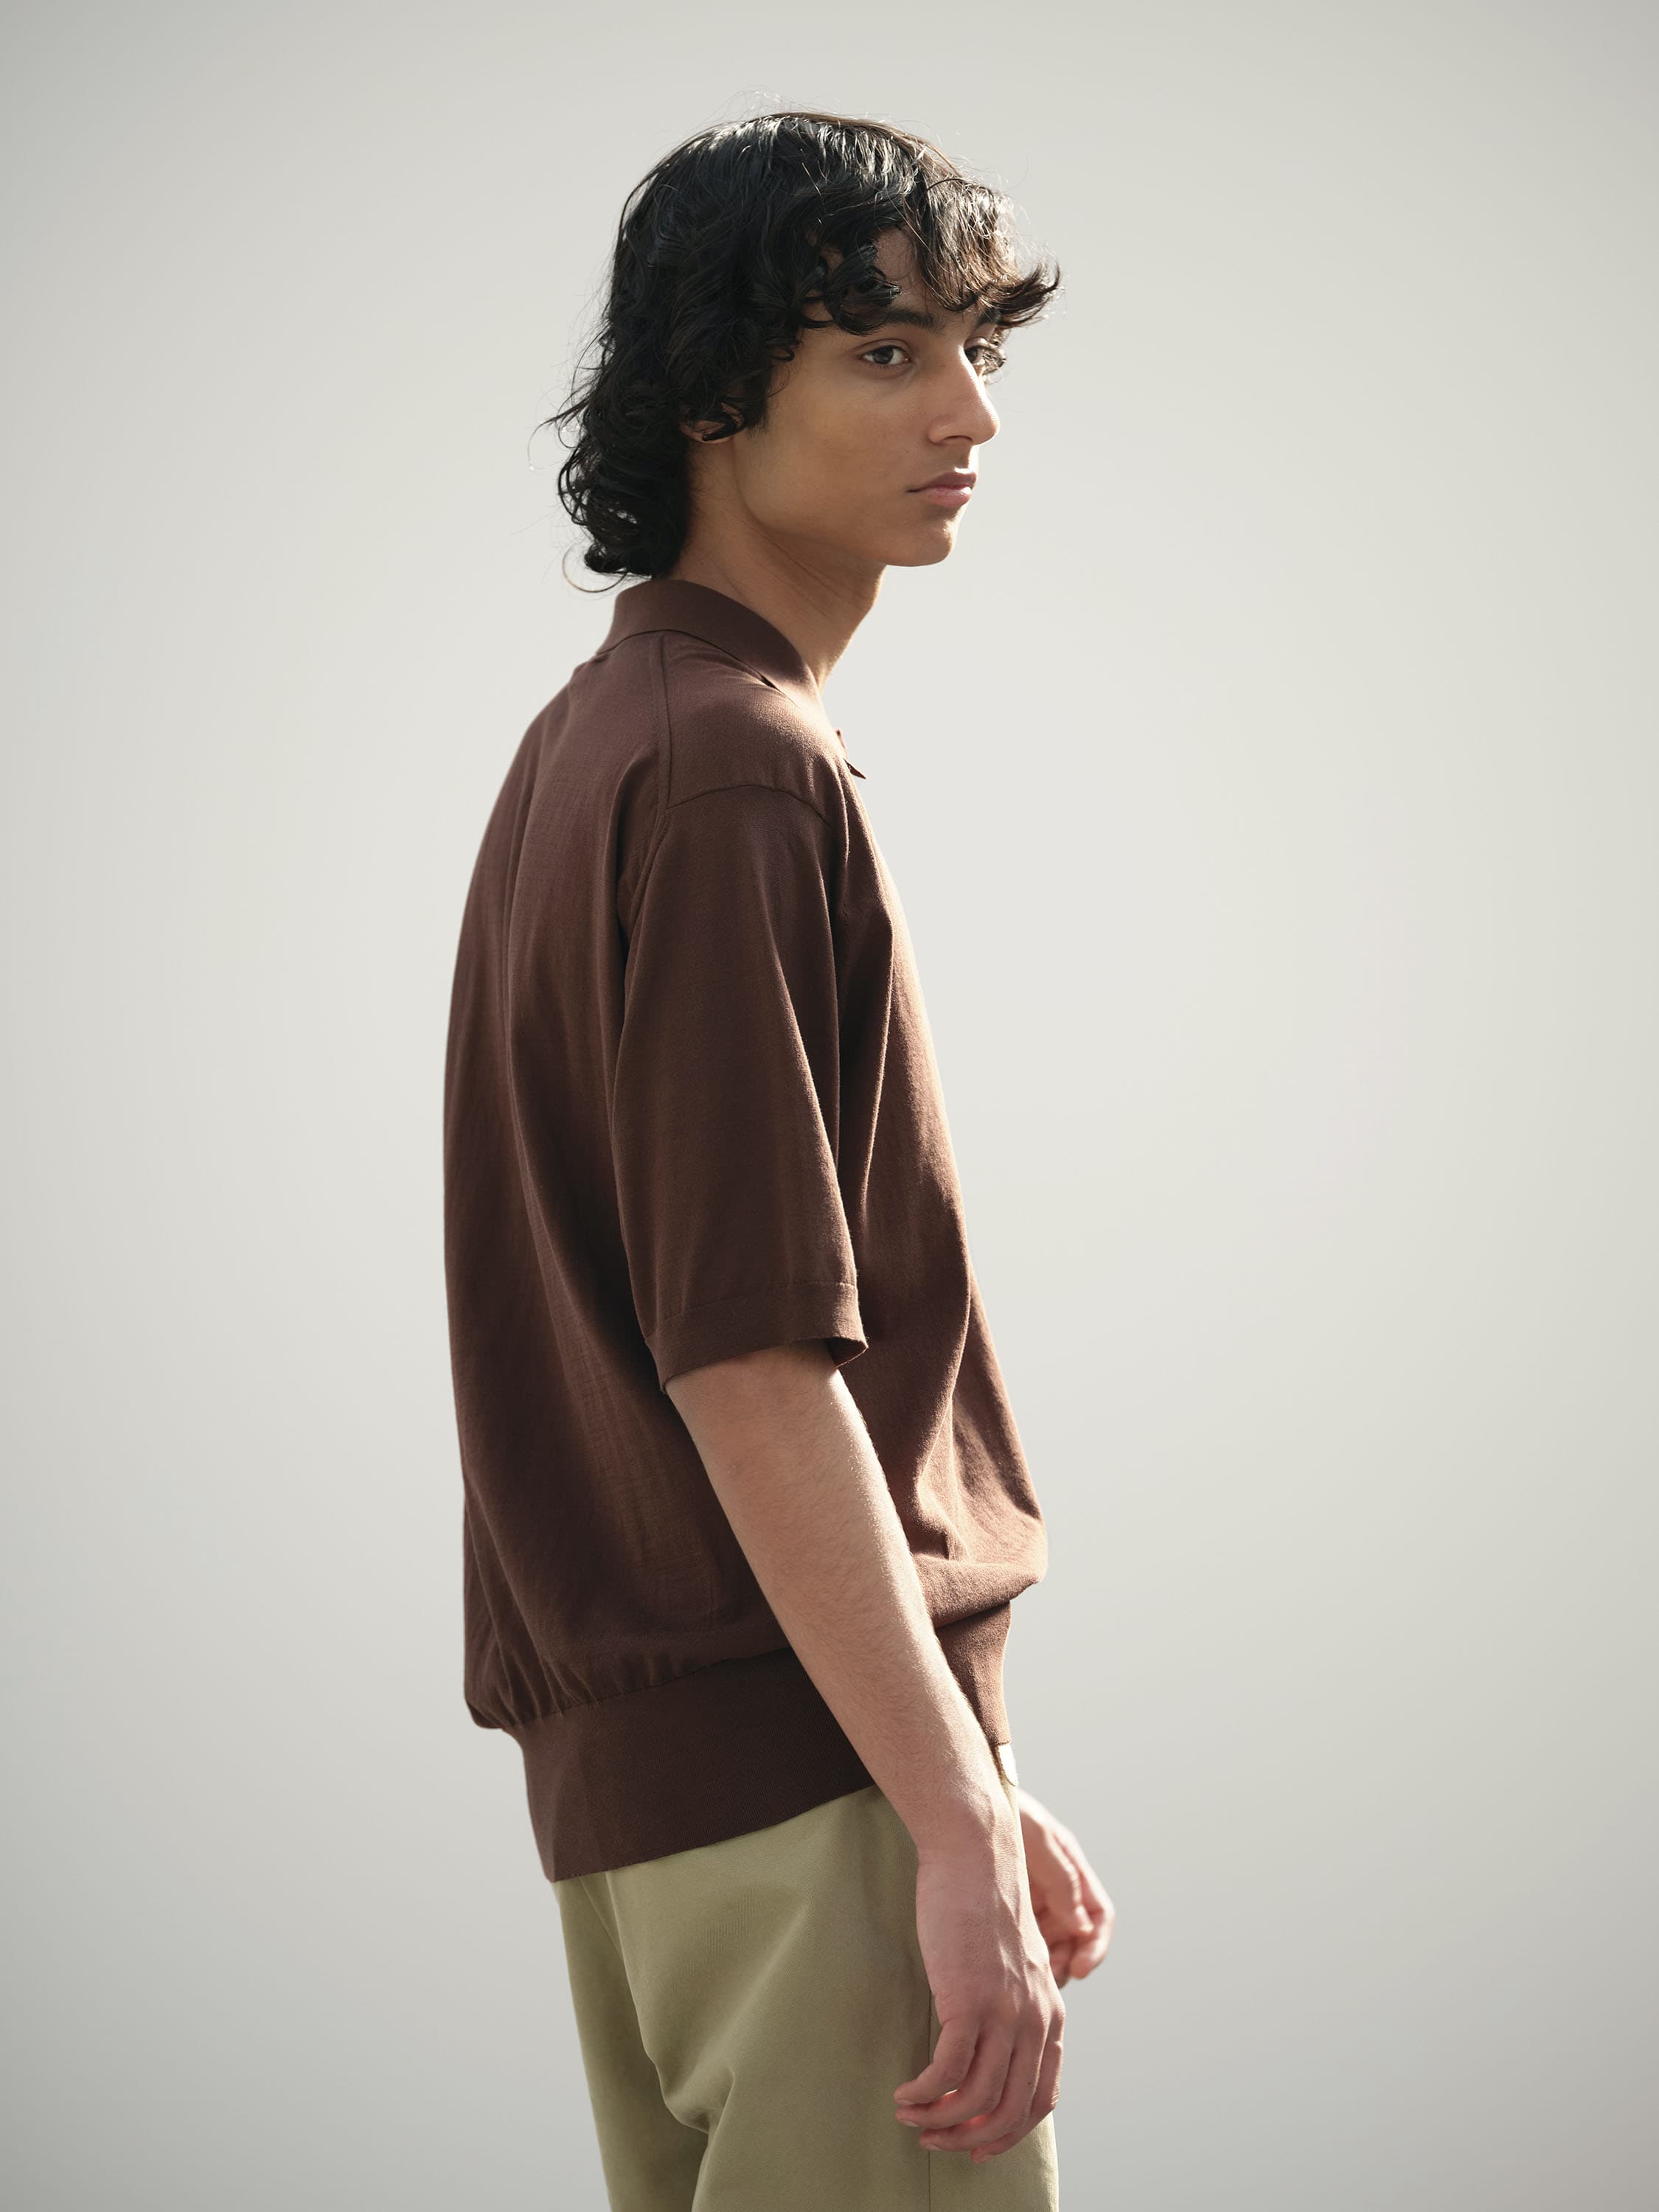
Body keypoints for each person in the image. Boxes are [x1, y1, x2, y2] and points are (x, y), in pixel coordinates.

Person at [442, 109, 1113, 2210]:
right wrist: (939, 1816)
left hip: (669, 1825)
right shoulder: (731, 770)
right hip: (802, 1796)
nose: (968, 412)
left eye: (974, 347)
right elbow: (746, 1357)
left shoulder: (594, 743)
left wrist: (968, 1777)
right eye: (884, 354)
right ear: (709, 394)